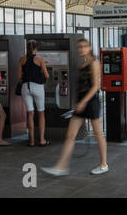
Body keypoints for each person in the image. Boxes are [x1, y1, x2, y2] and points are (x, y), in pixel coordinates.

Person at [41, 39, 108, 176]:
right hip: (81, 102)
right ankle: (61, 166)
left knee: (98, 134)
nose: (81, 49)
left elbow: (95, 86)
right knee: (70, 135)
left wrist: (83, 102)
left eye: (84, 46)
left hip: (91, 102)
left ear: (89, 47)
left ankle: (103, 164)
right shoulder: (82, 63)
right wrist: (79, 102)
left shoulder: (94, 63)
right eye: (79, 47)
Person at [18, 40, 49, 147]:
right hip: (37, 87)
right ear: (36, 48)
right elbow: (47, 75)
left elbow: (19, 76)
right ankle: (41, 140)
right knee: (41, 113)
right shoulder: (39, 59)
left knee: (30, 114)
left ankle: (31, 141)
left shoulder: (22, 59)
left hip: (25, 87)